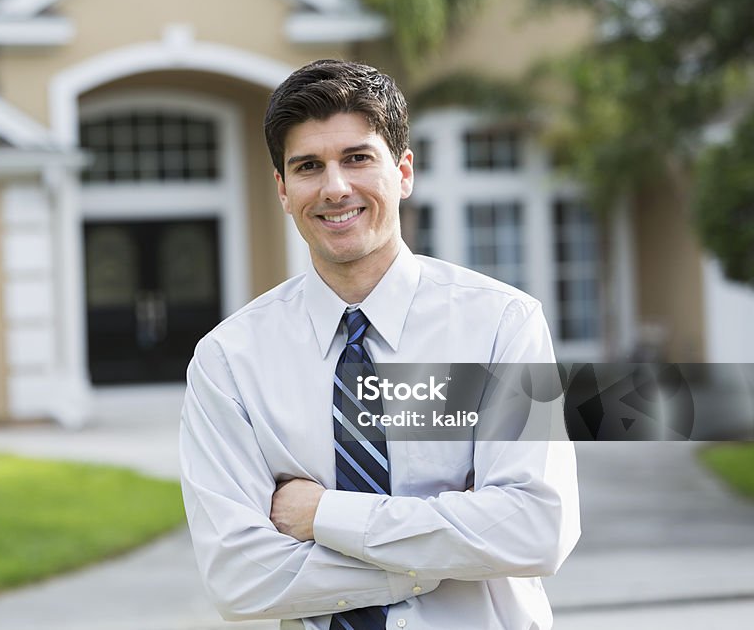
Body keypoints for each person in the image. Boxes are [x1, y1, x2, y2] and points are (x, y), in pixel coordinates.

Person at [179, 59, 580, 629]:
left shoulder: (500, 326)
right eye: (309, 166)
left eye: (358, 158)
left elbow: (537, 528)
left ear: (404, 171)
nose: (335, 187)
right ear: (283, 190)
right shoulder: (229, 362)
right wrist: (447, 553)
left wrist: (322, 515)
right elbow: (239, 578)